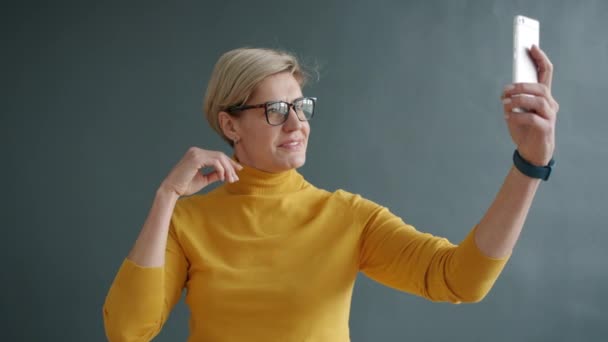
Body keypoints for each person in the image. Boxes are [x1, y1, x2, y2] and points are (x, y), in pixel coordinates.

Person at [103, 46, 559, 341]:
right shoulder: (188, 222)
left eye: (301, 107)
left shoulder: (346, 216)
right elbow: (127, 330)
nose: (297, 124)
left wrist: (530, 166)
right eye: (276, 110)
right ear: (229, 124)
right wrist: (167, 196)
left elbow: (460, 280)